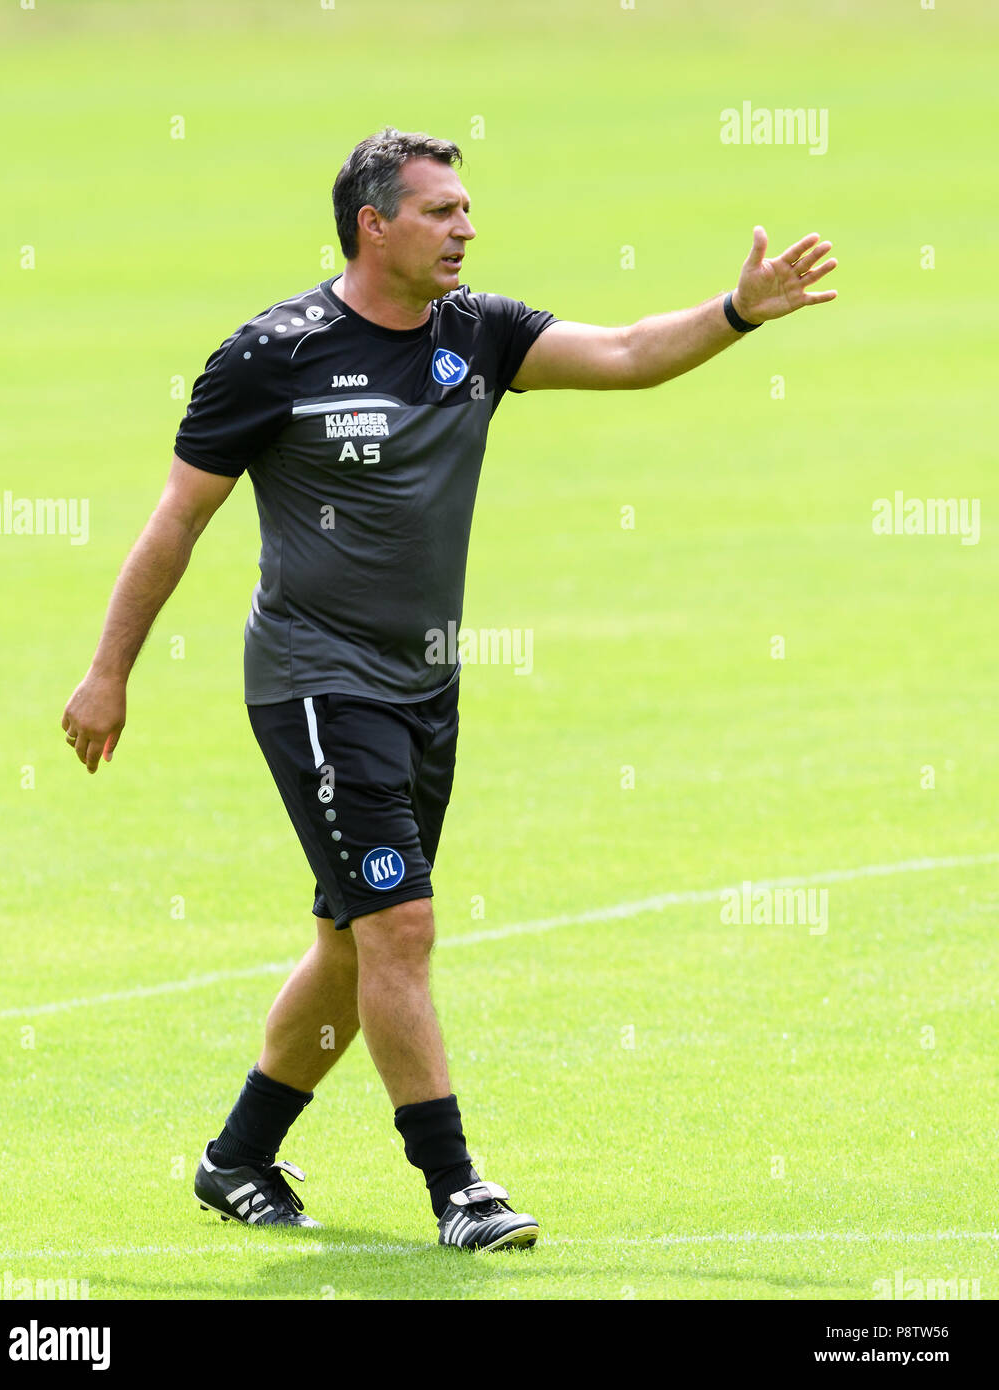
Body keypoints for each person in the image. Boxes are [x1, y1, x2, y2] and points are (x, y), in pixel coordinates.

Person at [61, 126, 837, 1252]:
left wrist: (733, 311)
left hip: (424, 687)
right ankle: (456, 1187)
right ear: (373, 224)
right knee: (400, 925)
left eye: (467, 210)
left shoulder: (476, 336)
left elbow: (622, 351)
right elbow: (177, 520)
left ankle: (236, 1158)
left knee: (353, 939)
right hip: (315, 683)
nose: (466, 228)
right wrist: (107, 673)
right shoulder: (271, 355)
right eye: (441, 211)